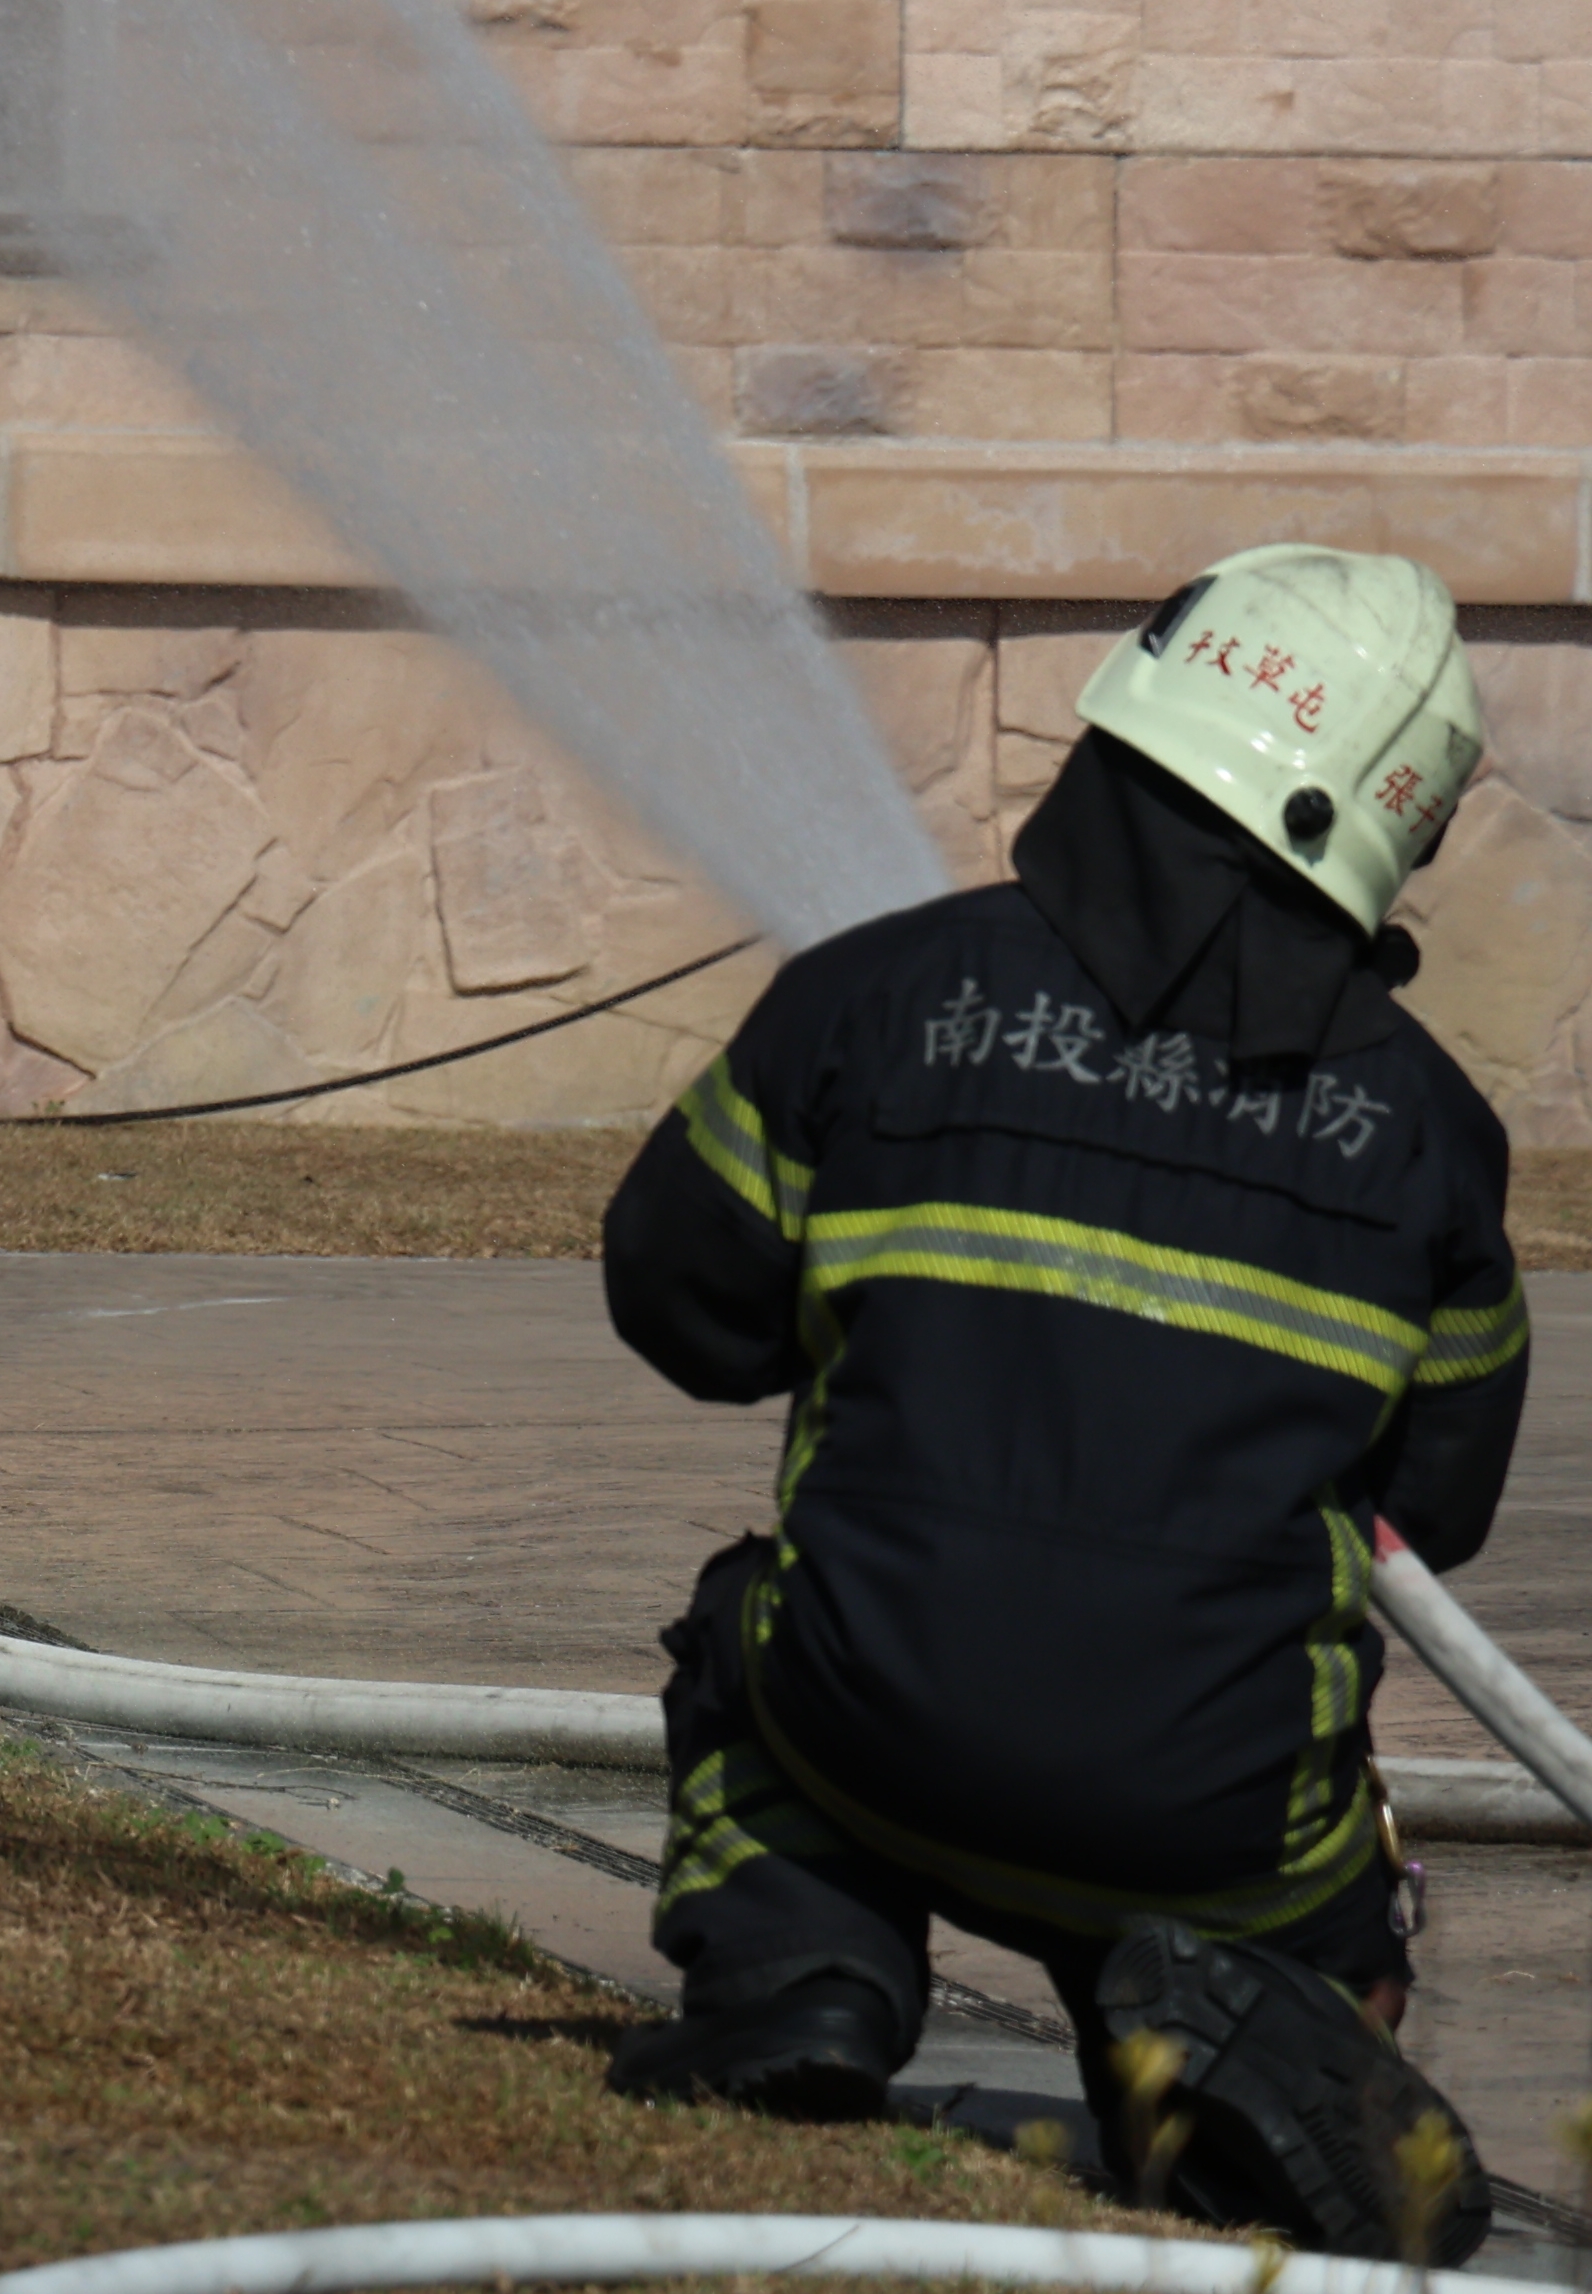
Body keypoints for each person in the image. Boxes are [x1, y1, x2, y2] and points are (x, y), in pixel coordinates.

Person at [598, 543, 1525, 2259]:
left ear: (1126, 725)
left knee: (745, 1639)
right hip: (1214, 1819)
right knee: (1295, 1878)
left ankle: (804, 1966)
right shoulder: (1434, 1138)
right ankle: (1231, 2045)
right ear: (1397, 832)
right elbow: (1436, 1511)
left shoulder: (870, 995)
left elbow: (678, 1305)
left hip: (865, 1727)